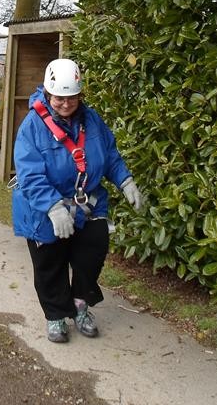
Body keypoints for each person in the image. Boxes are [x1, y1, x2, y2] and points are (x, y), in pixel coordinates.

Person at [12, 58, 144, 343]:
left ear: (80, 95)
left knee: (91, 254)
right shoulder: (32, 127)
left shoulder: (91, 119)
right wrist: (53, 207)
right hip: (44, 208)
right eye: (59, 98)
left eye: (72, 97)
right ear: (48, 94)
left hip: (88, 204)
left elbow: (109, 154)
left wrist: (125, 180)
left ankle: (80, 305)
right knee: (50, 262)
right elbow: (29, 173)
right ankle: (56, 315)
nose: (66, 104)